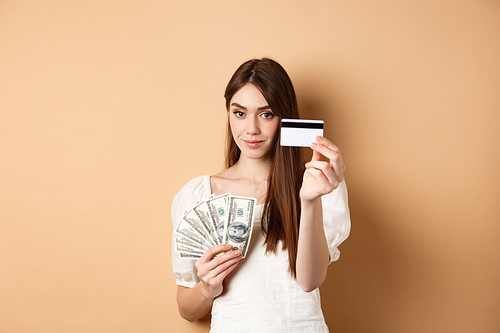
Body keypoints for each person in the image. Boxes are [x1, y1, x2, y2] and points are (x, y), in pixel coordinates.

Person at [171, 58, 350, 332]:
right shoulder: (199, 194)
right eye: (239, 113)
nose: (251, 129)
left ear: (285, 119)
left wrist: (310, 201)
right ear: (228, 113)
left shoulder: (318, 184)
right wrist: (208, 287)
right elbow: (186, 309)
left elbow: (309, 280)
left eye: (266, 114)